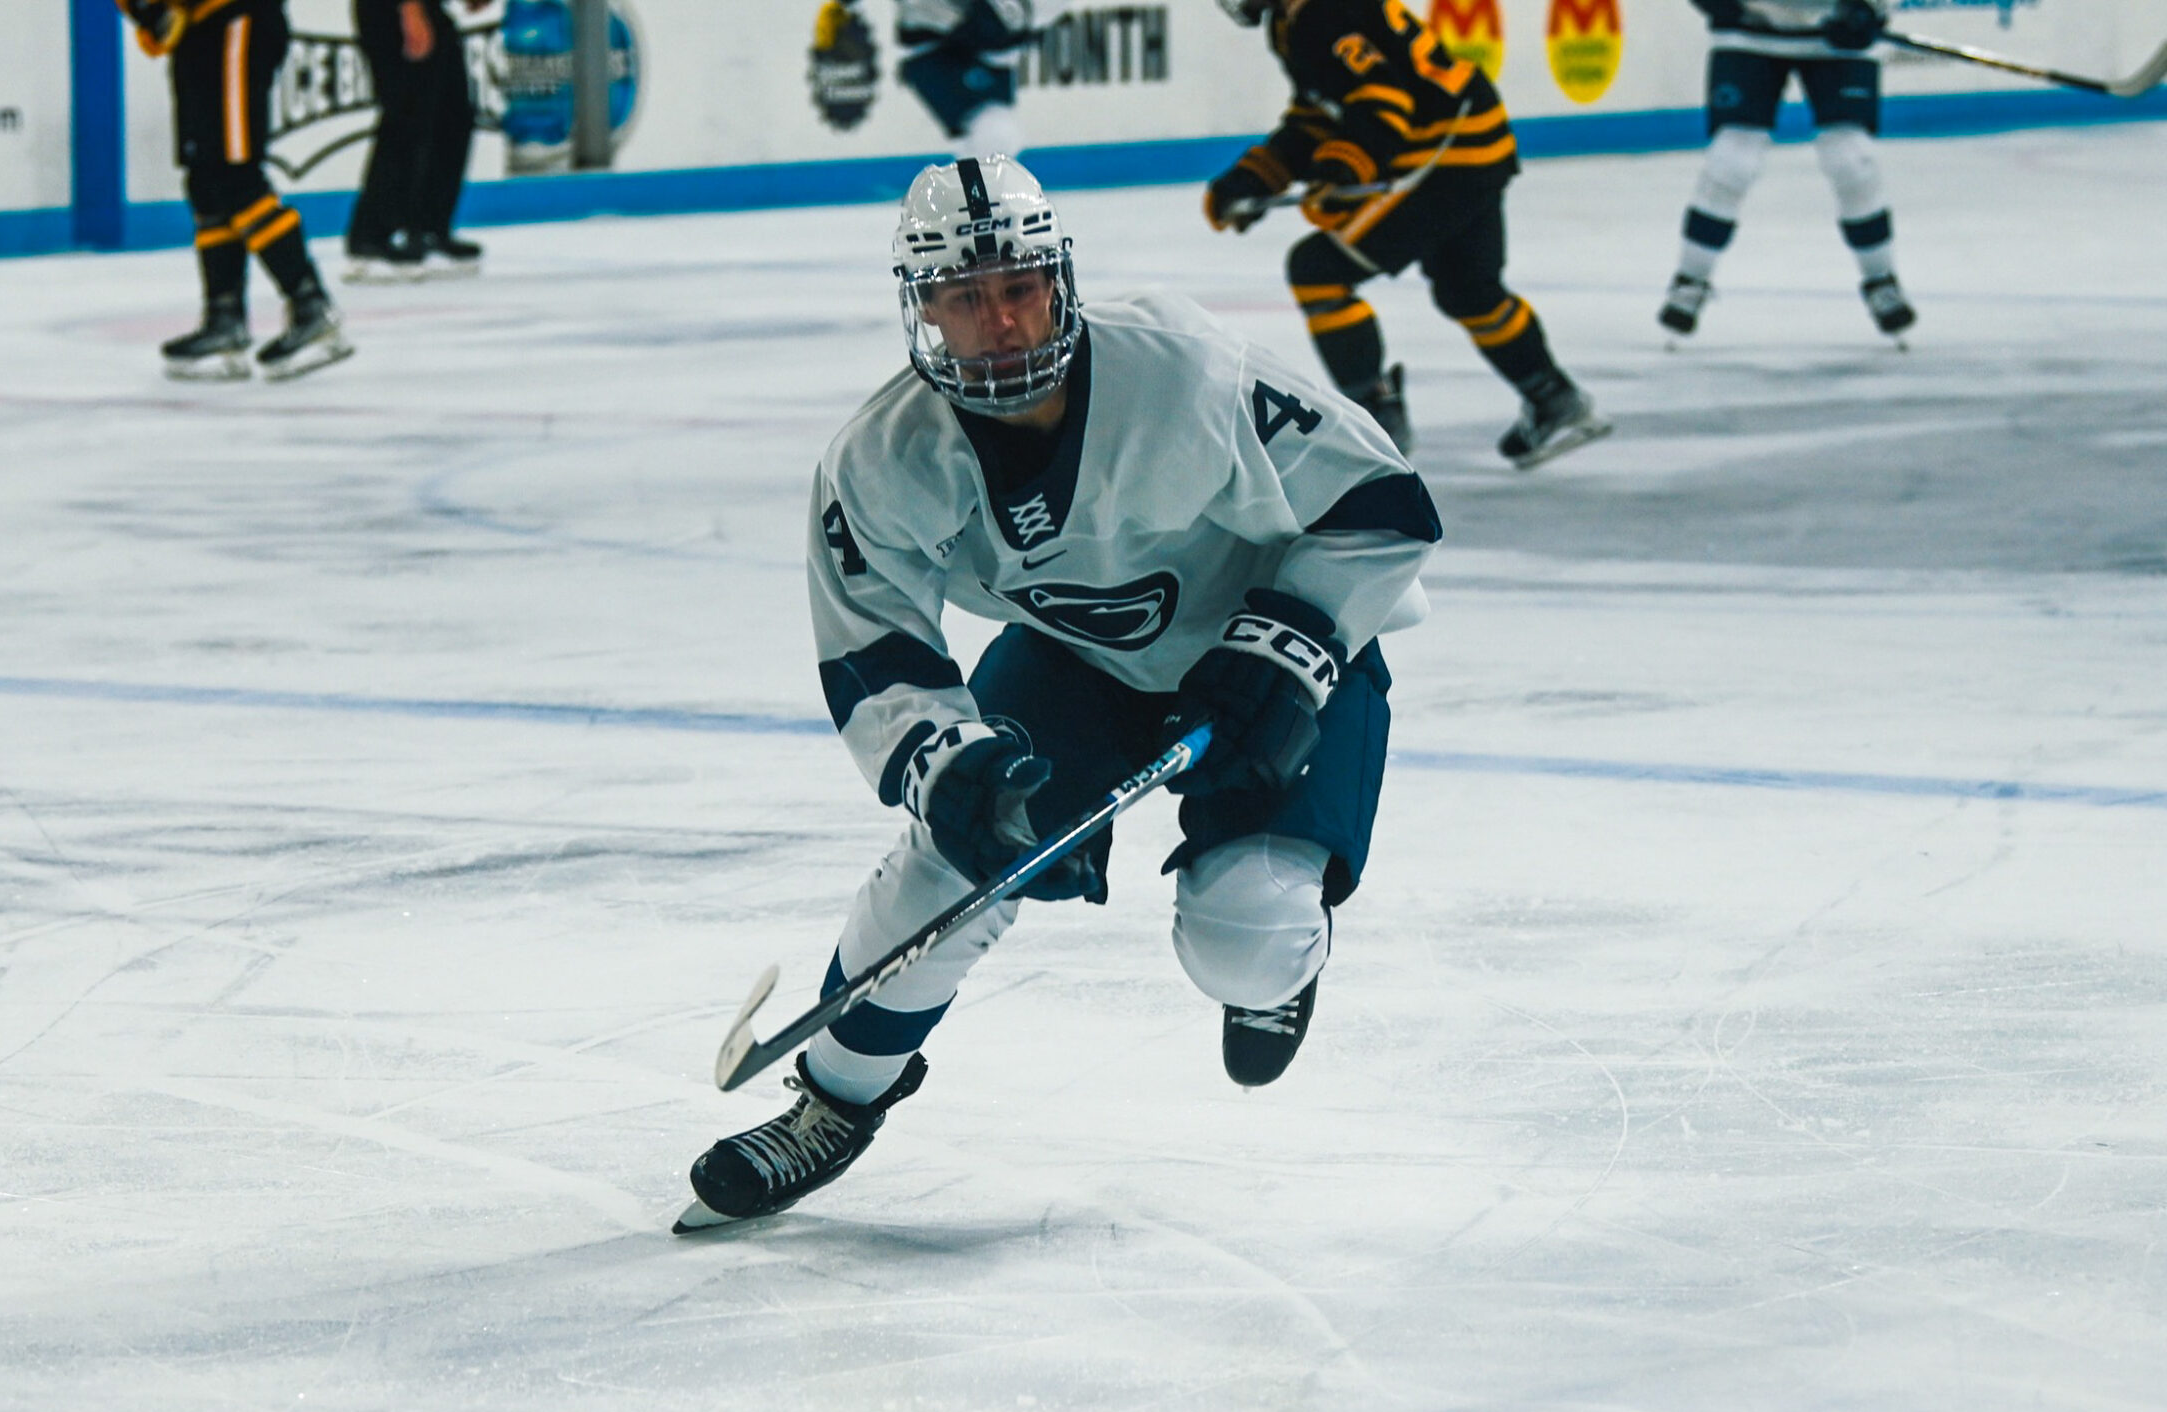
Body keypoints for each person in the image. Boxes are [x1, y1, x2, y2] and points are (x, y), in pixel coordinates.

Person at [676, 156, 1440, 1232]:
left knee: (1242, 936)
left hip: (1275, 650)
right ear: (924, 311)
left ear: (1059, 280)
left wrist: (1282, 655)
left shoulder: (1186, 373)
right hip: (1079, 660)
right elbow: (873, 656)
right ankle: (833, 1104)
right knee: (948, 867)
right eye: (963, 298)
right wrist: (960, 773)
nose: (1000, 321)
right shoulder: (884, 460)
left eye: (1018, 287)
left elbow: (1380, 503)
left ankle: (1278, 964)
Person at [1203, 0, 1608, 470]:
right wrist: (1260, 175)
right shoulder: (1294, 20)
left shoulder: (1321, 15)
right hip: (1474, 140)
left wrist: (1346, 171)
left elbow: (1383, 99)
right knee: (1468, 291)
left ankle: (1375, 426)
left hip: (1444, 155)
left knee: (1318, 270)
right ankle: (1555, 397)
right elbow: (1321, 113)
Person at [118, 0, 354, 380]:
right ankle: (224, 317)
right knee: (206, 181)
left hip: (235, 17)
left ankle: (311, 305)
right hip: (199, 29)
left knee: (235, 174)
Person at [1657, 0, 1917, 342]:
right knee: (1732, 160)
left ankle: (1881, 279)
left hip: (1835, 32)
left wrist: (1870, 9)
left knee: (1852, 159)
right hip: (1750, 32)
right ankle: (1690, 280)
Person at [346, 0, 491, 281]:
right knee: (406, 116)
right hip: (392, 11)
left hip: (426, 8)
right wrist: (410, 9)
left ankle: (428, 226)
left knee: (453, 115)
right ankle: (370, 237)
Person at [889, 0, 1067, 157]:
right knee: (995, 134)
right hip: (933, 49)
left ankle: (973, 186)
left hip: (984, 53)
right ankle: (972, 185)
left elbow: (997, 30)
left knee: (996, 135)